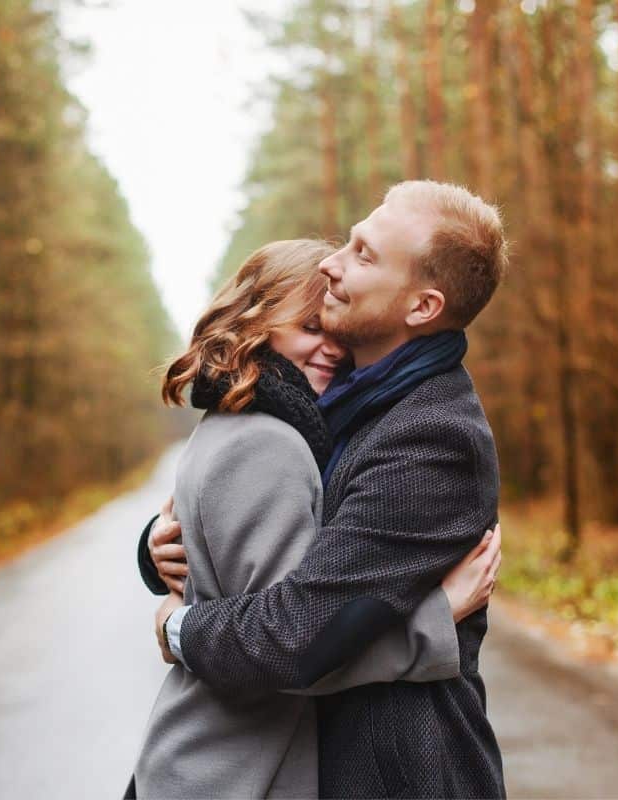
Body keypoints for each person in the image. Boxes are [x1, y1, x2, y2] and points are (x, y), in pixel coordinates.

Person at [148, 181, 510, 798]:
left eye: (364, 254)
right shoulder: (342, 403)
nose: (331, 262)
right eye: (348, 242)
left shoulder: (431, 439)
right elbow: (272, 519)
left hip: (400, 776)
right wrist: (158, 547)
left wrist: (178, 629)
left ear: (421, 307)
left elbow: (298, 638)